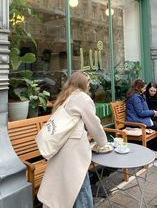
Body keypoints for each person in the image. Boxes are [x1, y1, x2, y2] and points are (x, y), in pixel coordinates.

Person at [37, 71, 108, 208]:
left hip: (63, 149)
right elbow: (94, 124)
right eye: (88, 82)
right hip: (73, 152)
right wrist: (103, 143)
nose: (89, 85)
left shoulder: (66, 97)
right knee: (80, 187)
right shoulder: (82, 97)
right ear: (83, 83)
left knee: (69, 188)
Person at [125, 79, 157, 161]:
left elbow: (142, 111)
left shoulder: (138, 95)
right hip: (137, 121)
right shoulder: (135, 97)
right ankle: (154, 150)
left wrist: (155, 112)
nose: (145, 89)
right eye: (144, 87)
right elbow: (140, 113)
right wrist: (154, 112)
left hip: (143, 118)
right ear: (140, 88)